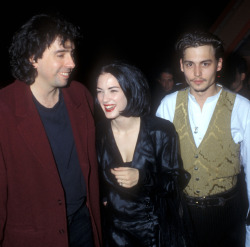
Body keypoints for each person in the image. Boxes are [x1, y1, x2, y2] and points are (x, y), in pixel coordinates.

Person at [0, 14, 102, 247]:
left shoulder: (80, 96)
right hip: (34, 237)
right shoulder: (4, 110)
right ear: (33, 57)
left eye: (72, 53)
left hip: (83, 227)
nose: (72, 63)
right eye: (61, 54)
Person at [156, 30, 250, 247]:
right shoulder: (168, 105)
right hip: (183, 213)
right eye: (190, 64)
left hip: (229, 213)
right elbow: (158, 165)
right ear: (181, 65)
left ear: (218, 64)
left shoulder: (242, 108)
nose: (197, 72)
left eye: (205, 63)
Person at [95, 61, 194, 246]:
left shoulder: (161, 131)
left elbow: (176, 180)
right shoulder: (97, 133)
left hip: (156, 230)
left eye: (113, 90)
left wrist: (143, 178)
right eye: (100, 91)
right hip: (114, 232)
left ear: (131, 89)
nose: (104, 98)